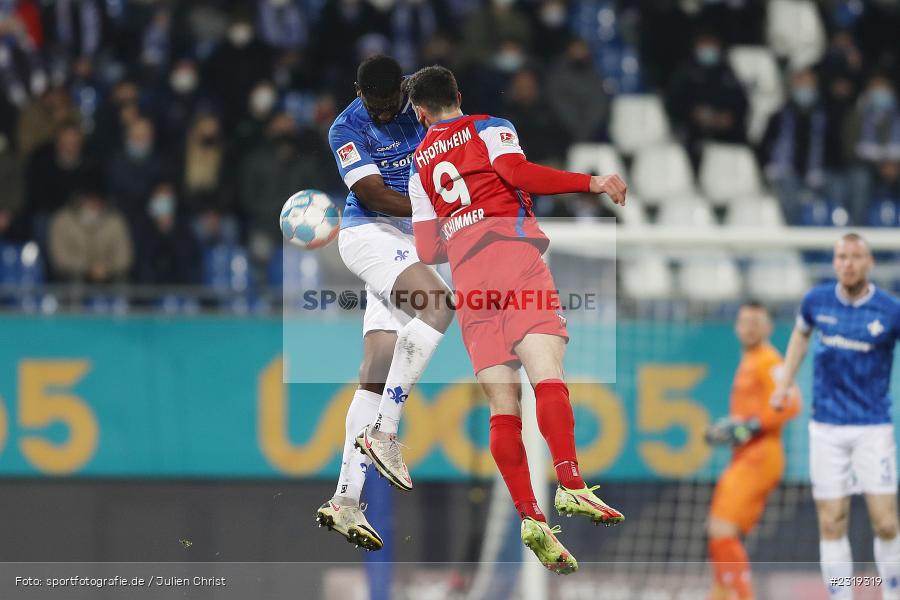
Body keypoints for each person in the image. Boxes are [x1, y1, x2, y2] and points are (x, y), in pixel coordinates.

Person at [402, 65, 626, 574]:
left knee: (504, 406)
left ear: (420, 114)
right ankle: (569, 484)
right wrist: (591, 181)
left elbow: (426, 247)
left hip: (469, 282)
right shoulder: (488, 126)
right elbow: (517, 174)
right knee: (549, 374)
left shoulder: (418, 167)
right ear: (457, 95)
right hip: (511, 256)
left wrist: (461, 223)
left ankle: (529, 514)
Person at [314, 55, 454, 551]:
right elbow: (371, 193)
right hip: (371, 233)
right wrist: (435, 216)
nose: (380, 112)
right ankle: (386, 433)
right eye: (372, 104)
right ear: (358, 93)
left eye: (389, 103)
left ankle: (345, 499)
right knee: (439, 304)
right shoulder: (345, 128)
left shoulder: (421, 100)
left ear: (402, 89)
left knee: (375, 366)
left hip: (409, 243)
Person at [772, 233, 900, 600]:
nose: (847, 263)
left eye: (855, 256)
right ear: (834, 262)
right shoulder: (816, 300)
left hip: (873, 427)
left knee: (886, 522)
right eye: (841, 256)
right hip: (826, 427)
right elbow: (800, 336)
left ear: (869, 263)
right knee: (831, 522)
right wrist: (784, 381)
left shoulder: (890, 309)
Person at [705, 301, 800, 600]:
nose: (751, 327)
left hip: (761, 456)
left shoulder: (768, 360)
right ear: (736, 327)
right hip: (746, 457)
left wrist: (751, 426)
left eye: (757, 322)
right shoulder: (750, 360)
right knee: (718, 530)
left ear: (769, 327)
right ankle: (722, 593)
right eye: (745, 321)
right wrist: (734, 426)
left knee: (722, 528)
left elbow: (791, 403)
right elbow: (751, 414)